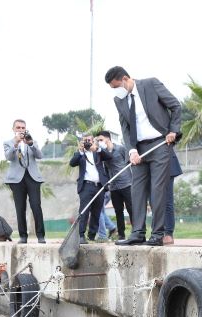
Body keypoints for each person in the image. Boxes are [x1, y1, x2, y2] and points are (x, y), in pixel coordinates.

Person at [105, 66, 181, 246]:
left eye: (117, 86)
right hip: (138, 150)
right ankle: (137, 232)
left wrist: (173, 131)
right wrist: (131, 150)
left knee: (157, 190)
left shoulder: (151, 84)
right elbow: (125, 127)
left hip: (160, 144)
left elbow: (175, 106)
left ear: (125, 79)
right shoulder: (119, 100)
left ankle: (157, 234)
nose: (116, 91)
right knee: (137, 190)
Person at [3, 119, 45, 244]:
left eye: (22, 128)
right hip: (16, 180)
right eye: (18, 127)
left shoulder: (32, 140)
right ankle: (23, 236)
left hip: (32, 177)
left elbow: (40, 156)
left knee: (36, 205)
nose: (20, 130)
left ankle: (41, 235)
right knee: (20, 208)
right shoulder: (8, 143)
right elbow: (8, 157)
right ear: (13, 129)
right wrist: (15, 144)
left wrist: (31, 144)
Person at [69, 134, 110, 244]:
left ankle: (91, 235)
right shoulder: (80, 154)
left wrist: (96, 148)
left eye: (89, 140)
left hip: (99, 186)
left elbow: (109, 156)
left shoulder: (98, 152)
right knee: (84, 211)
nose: (87, 142)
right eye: (85, 140)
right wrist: (81, 151)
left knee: (97, 211)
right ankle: (81, 235)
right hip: (86, 186)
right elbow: (72, 163)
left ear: (93, 141)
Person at [96, 131, 132, 240]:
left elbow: (129, 162)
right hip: (114, 186)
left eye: (101, 140)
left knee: (131, 209)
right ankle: (121, 235)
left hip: (126, 183)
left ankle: (137, 232)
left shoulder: (121, 149)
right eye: (98, 140)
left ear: (108, 139)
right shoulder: (103, 153)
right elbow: (105, 169)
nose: (99, 142)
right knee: (118, 211)